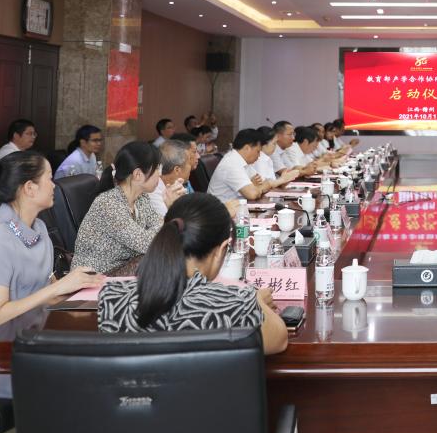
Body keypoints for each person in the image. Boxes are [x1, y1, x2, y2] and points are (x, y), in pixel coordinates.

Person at [0, 151, 104, 397]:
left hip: (25, 344)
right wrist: (57, 288)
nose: (54, 185)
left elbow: (50, 295)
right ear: (29, 188)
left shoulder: (38, 229)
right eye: (49, 178)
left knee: (92, 370)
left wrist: (90, 289)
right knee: (75, 386)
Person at [97, 193, 289, 353]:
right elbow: (279, 340)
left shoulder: (112, 298)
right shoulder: (236, 302)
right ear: (221, 250)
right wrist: (256, 300)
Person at [71, 142, 169, 274]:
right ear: (138, 174)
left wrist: (162, 226)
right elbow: (148, 243)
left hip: (123, 270)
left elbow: (158, 228)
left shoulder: (142, 198)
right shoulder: (109, 204)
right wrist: (169, 213)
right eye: (157, 168)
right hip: (94, 276)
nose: (160, 174)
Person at [207, 129, 266, 202]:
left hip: (236, 206)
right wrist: (255, 187)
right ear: (247, 148)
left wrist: (255, 187)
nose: (259, 155)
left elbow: (262, 182)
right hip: (221, 208)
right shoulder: (232, 163)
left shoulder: (241, 160)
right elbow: (252, 194)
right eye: (258, 151)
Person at [147, 140, 190, 216]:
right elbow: (174, 221)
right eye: (189, 163)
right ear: (177, 170)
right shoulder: (153, 192)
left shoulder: (176, 184)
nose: (191, 166)